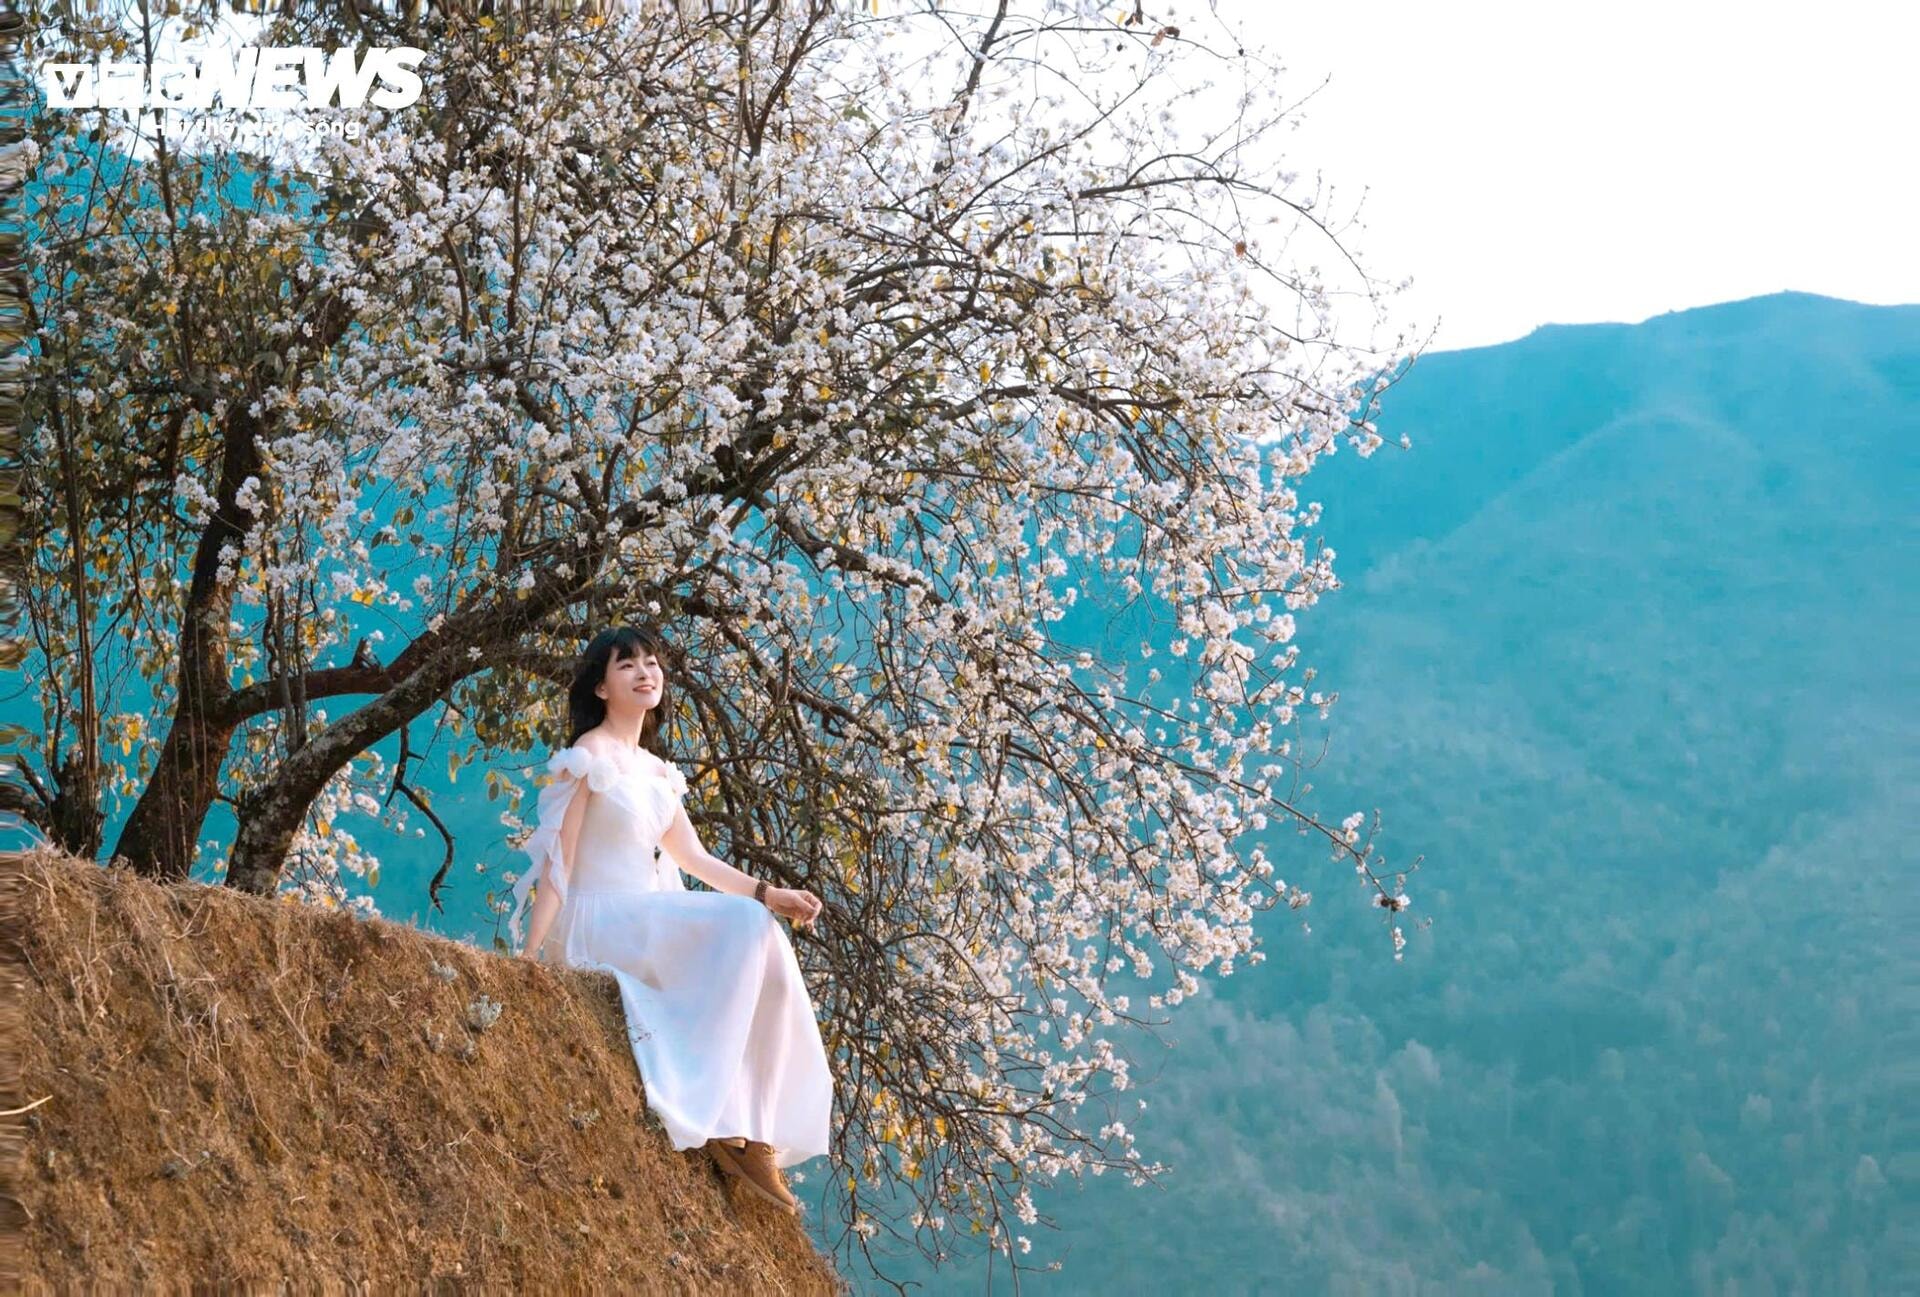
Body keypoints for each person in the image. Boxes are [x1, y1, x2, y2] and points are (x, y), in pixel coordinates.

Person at [505, 624, 833, 1213]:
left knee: (766, 942)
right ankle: (718, 1115)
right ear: (601, 687)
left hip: (645, 915)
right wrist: (528, 957)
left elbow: (695, 860)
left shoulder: (657, 772)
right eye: (626, 664)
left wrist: (770, 892)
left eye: (652, 662)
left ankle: (751, 1131)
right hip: (601, 919)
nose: (644, 672)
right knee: (745, 928)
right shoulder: (585, 760)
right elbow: (560, 864)